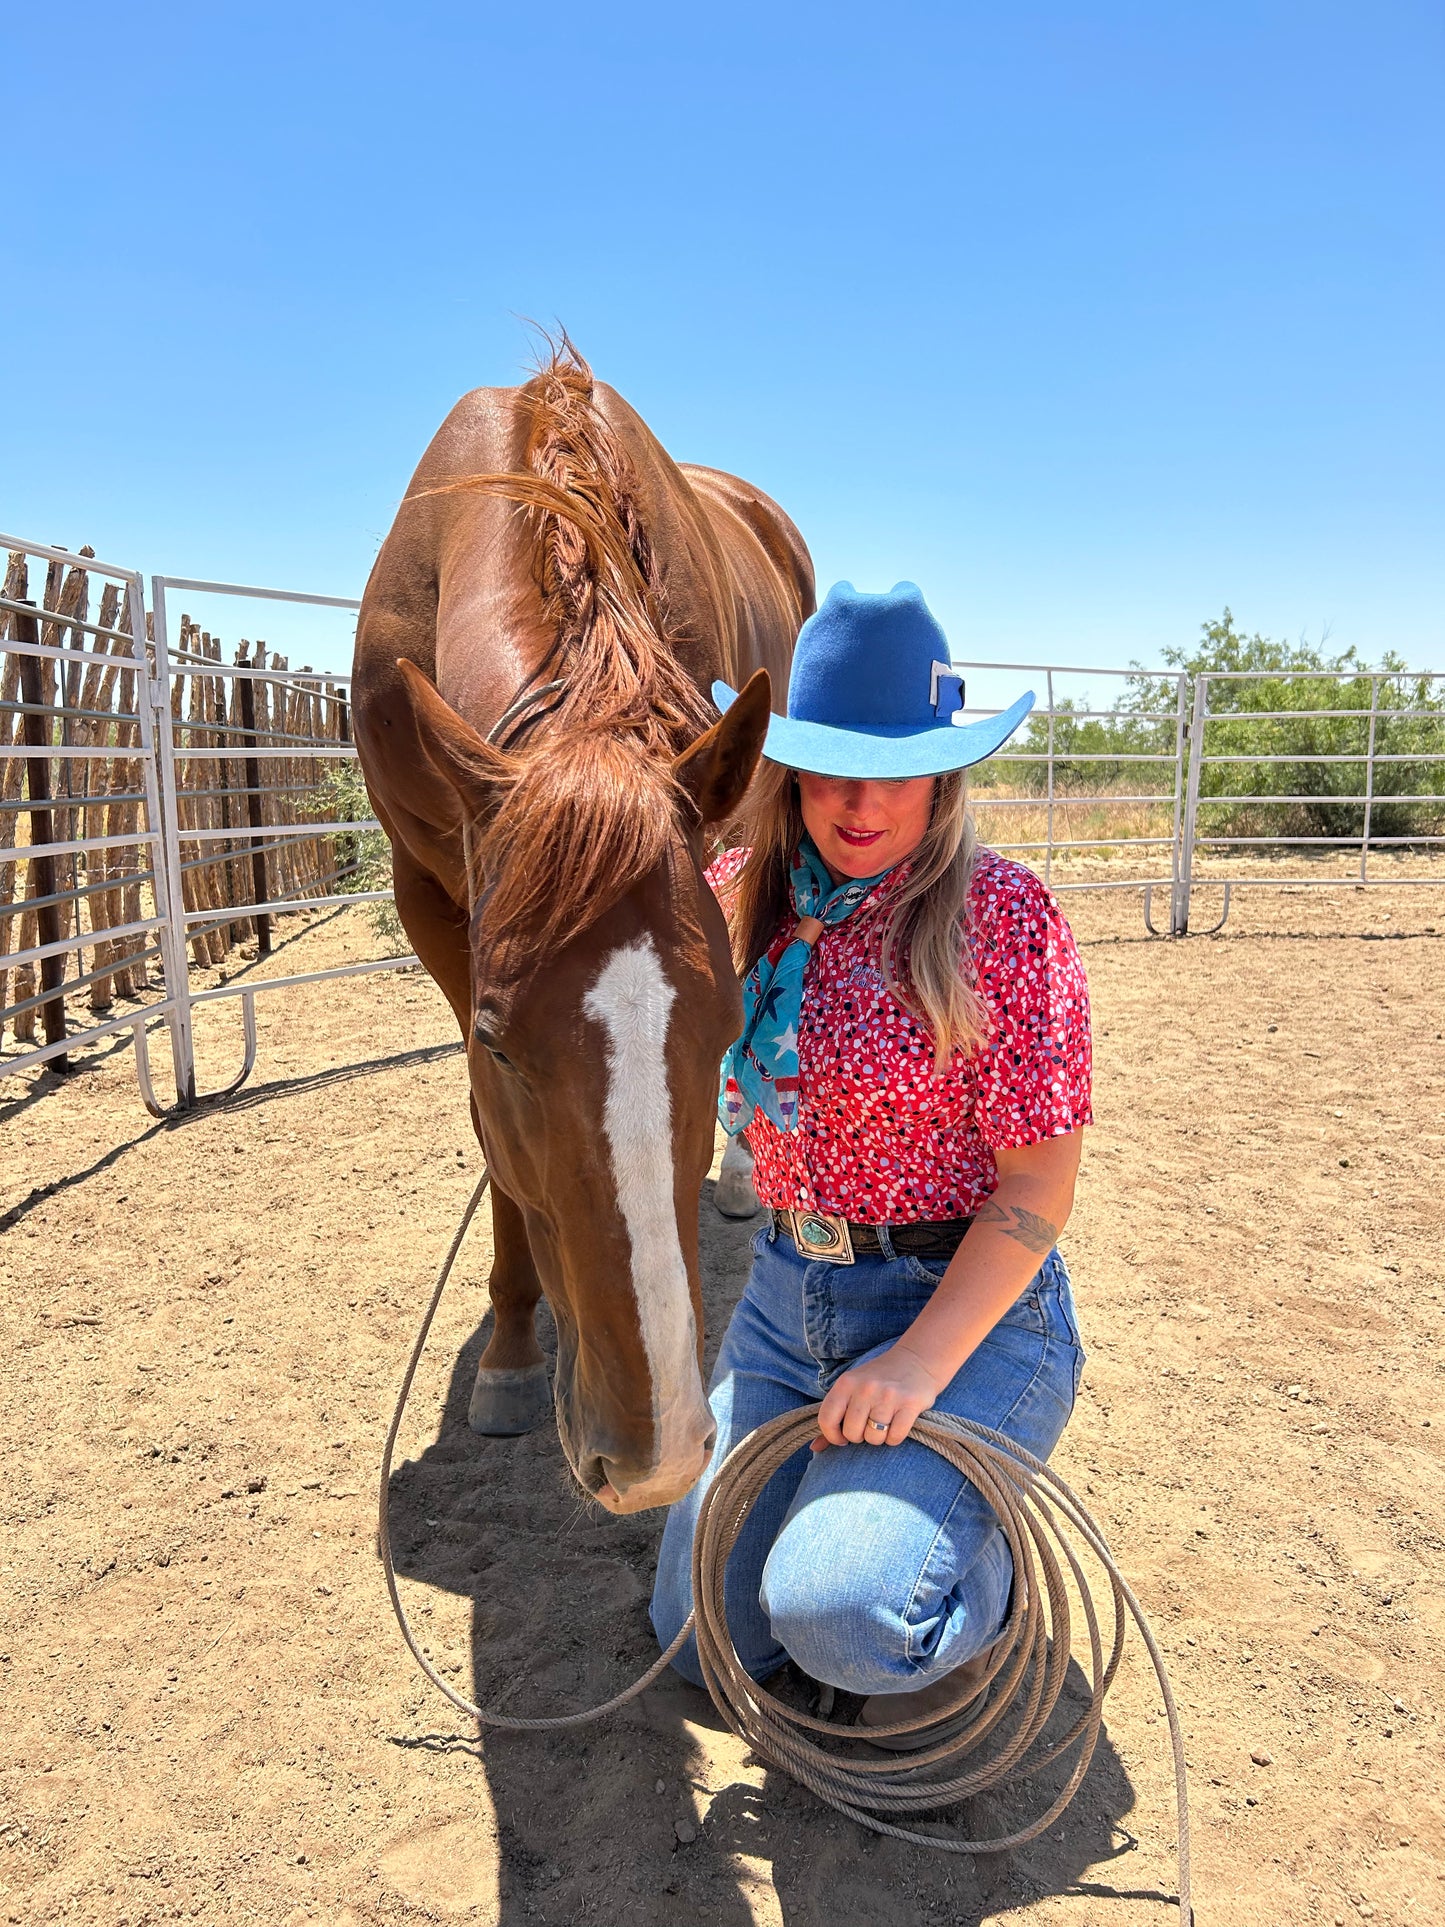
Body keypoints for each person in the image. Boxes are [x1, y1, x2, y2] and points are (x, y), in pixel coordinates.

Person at [650, 580, 1091, 1742]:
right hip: (784, 1298)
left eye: (891, 766)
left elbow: (1037, 1184)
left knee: (842, 1618)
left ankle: (972, 1554)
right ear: (785, 765)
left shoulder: (997, 919)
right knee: (695, 1633)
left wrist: (913, 1364)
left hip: (962, 1305)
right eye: (827, 763)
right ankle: (865, 1517)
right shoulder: (736, 899)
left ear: (941, 772)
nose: (857, 801)